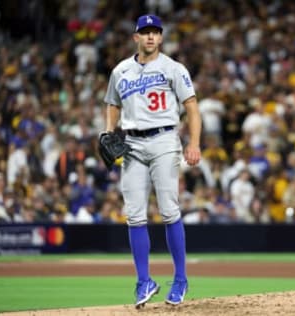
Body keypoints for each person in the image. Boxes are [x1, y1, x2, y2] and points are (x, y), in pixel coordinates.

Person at [102, 14, 201, 308]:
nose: (150, 37)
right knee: (134, 215)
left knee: (169, 210)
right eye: (144, 32)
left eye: (155, 32)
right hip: (131, 142)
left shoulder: (173, 68)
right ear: (136, 37)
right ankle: (143, 281)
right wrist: (108, 132)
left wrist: (193, 143)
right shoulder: (121, 71)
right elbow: (111, 104)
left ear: (160, 37)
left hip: (163, 140)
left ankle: (180, 279)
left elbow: (192, 108)